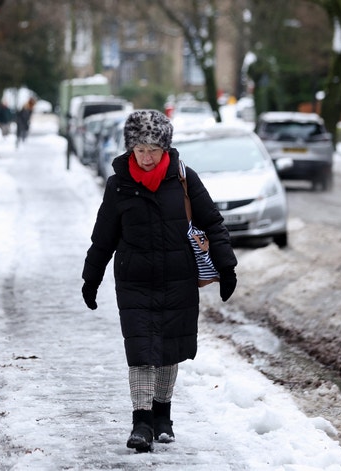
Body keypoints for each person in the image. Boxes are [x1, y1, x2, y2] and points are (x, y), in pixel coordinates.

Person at [80, 110, 237, 453]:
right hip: (134, 281)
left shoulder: (184, 179)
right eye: (140, 150)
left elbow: (212, 222)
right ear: (130, 149)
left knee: (168, 348)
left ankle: (162, 416)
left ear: (164, 147)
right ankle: (141, 423)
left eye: (153, 149)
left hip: (177, 278)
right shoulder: (118, 185)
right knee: (140, 351)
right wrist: (91, 278)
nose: (147, 157)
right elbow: (103, 238)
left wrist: (227, 267)